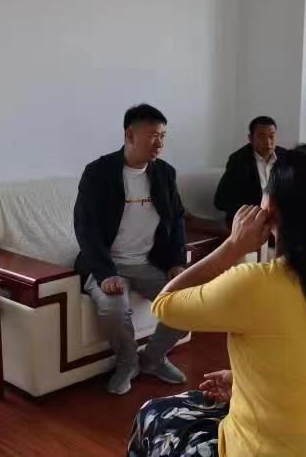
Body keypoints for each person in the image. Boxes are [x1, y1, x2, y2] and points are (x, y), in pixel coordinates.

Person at [129, 145, 306, 456]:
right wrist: (244, 380)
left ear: (269, 207)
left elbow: (165, 304)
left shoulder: (255, 283)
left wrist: (233, 246)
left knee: (153, 414)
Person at [74, 104, 189, 395]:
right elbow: (85, 228)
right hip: (108, 264)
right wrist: (104, 273)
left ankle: (152, 359)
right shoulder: (98, 173)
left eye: (163, 136)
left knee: (189, 303)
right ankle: (127, 363)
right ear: (130, 135)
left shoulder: (165, 173)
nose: (159, 143)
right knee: (114, 308)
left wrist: (177, 262)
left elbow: (177, 220)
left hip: (150, 263)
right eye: (153, 135)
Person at [214, 116, 287, 228]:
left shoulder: (285, 157)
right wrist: (258, 211)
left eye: (271, 136)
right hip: (249, 221)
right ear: (251, 138)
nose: (268, 142)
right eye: (261, 136)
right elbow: (221, 201)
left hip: (279, 220)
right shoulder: (238, 160)